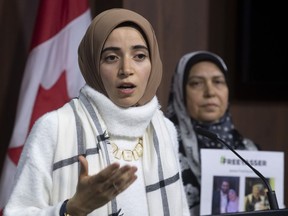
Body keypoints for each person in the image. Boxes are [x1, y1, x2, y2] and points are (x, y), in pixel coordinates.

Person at [4, 8, 189, 216]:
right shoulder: (55, 128)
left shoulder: (164, 129)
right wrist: (72, 209)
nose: (126, 69)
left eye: (139, 56)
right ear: (92, 65)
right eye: (111, 57)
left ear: (153, 63)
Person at [166, 50, 259, 216]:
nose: (210, 92)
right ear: (180, 91)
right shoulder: (163, 147)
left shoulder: (250, 150)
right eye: (196, 83)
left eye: (218, 82)